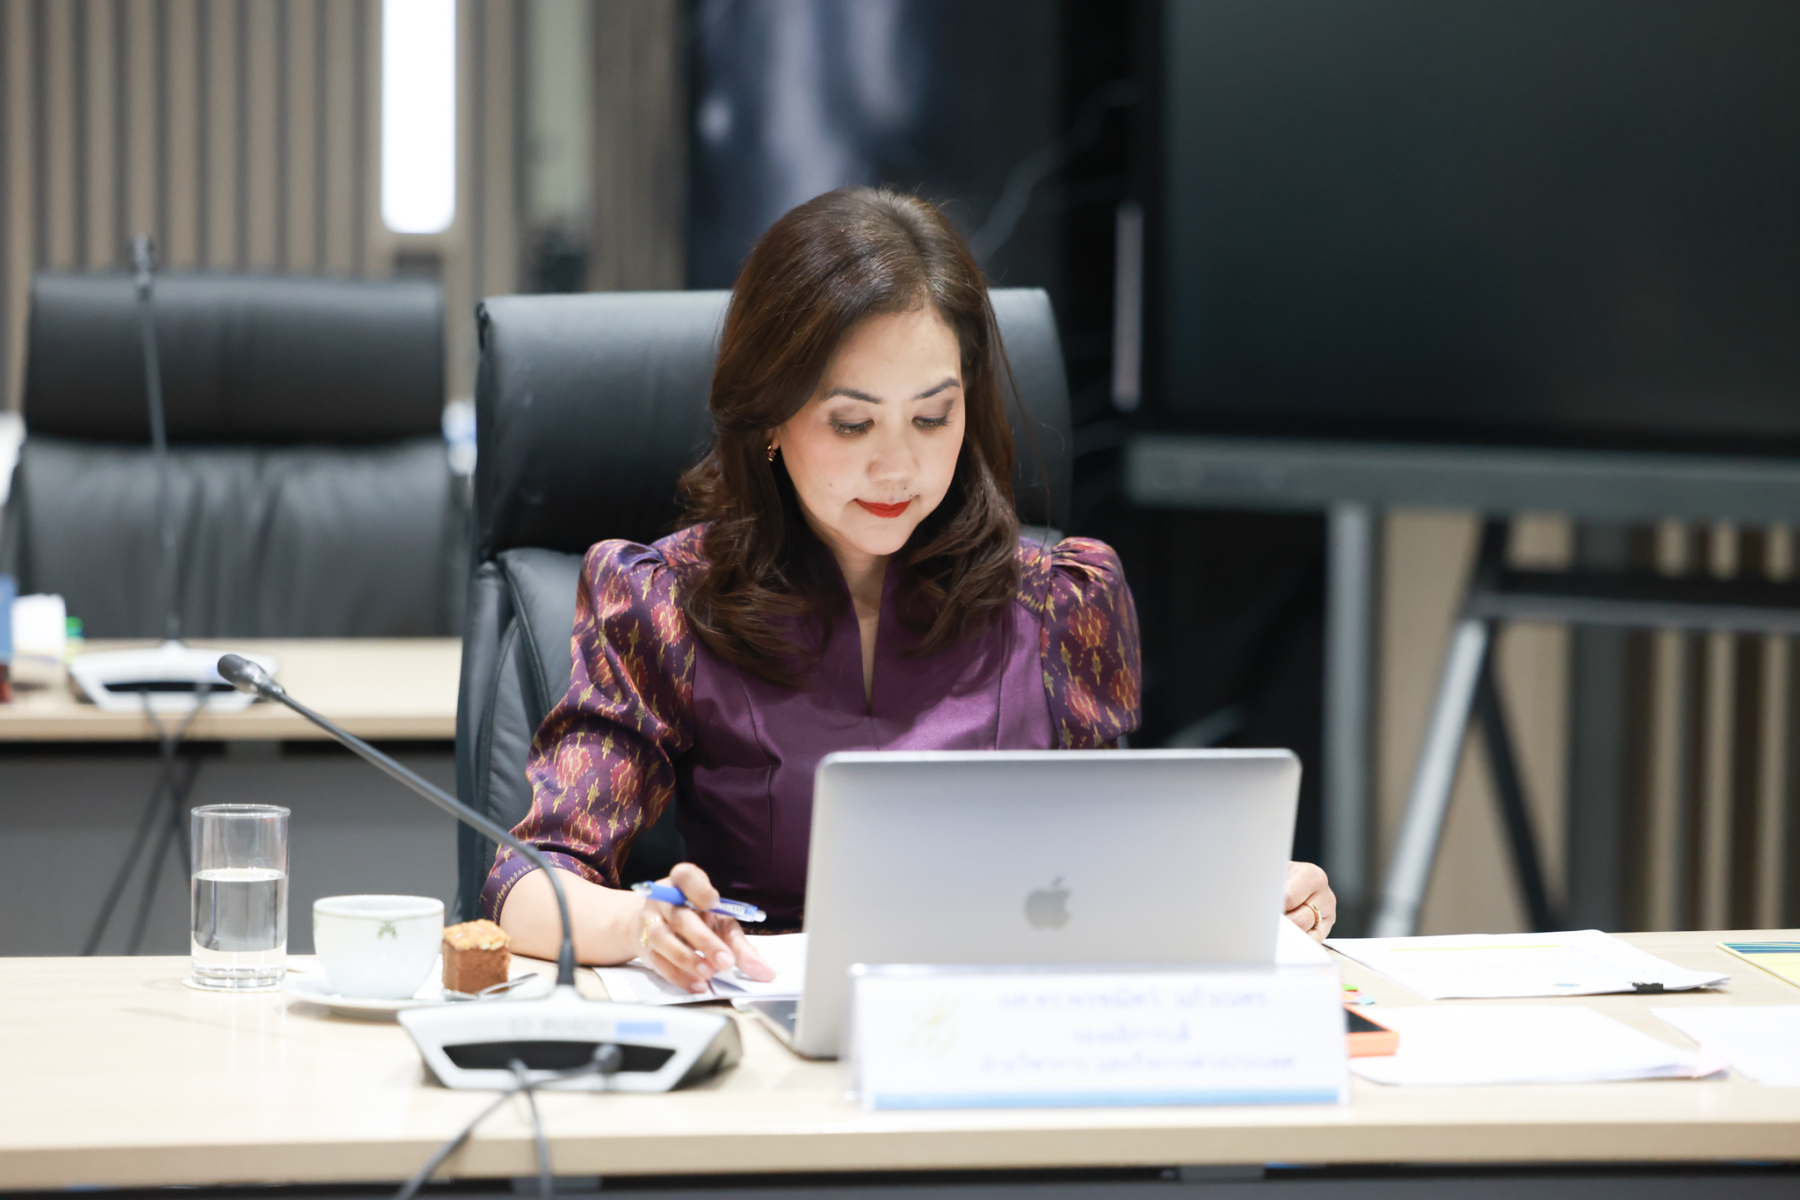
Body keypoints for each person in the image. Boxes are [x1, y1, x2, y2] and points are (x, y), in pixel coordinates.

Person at [485, 187, 1337, 992]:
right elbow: (527, 884)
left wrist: (1242, 892)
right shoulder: (666, 604)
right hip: (775, 1027)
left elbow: (1104, 870)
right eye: (852, 422)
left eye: (933, 417)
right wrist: (643, 924)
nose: (898, 466)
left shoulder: (1063, 603)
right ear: (771, 417)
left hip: (1004, 1027)